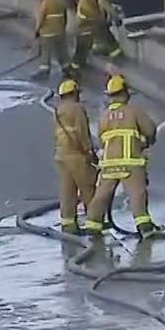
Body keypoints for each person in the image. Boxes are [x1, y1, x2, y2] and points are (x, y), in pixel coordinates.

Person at [87, 73, 162, 237]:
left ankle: (93, 225)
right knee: (137, 195)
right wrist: (146, 141)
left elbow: (101, 138)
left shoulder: (104, 116)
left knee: (102, 195)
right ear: (125, 92)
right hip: (131, 163)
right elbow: (150, 129)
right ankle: (145, 228)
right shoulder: (133, 111)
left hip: (109, 164)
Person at [50, 77, 97, 234]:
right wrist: (90, 151)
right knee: (87, 189)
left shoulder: (57, 111)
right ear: (73, 93)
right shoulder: (77, 109)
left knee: (67, 191)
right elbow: (82, 131)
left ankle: (68, 224)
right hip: (77, 155)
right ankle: (94, 223)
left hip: (61, 156)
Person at [72, 0, 121, 69]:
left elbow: (104, 7)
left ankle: (115, 54)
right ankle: (73, 70)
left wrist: (113, 12)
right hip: (84, 29)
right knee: (80, 52)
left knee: (106, 37)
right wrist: (106, 20)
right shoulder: (86, 1)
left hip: (89, 28)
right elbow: (95, 15)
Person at [34, 0, 71, 76]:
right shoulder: (62, 3)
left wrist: (37, 30)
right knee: (62, 51)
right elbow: (65, 18)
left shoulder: (46, 3)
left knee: (46, 52)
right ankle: (66, 68)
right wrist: (62, 28)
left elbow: (41, 18)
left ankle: (44, 70)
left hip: (47, 33)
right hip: (60, 32)